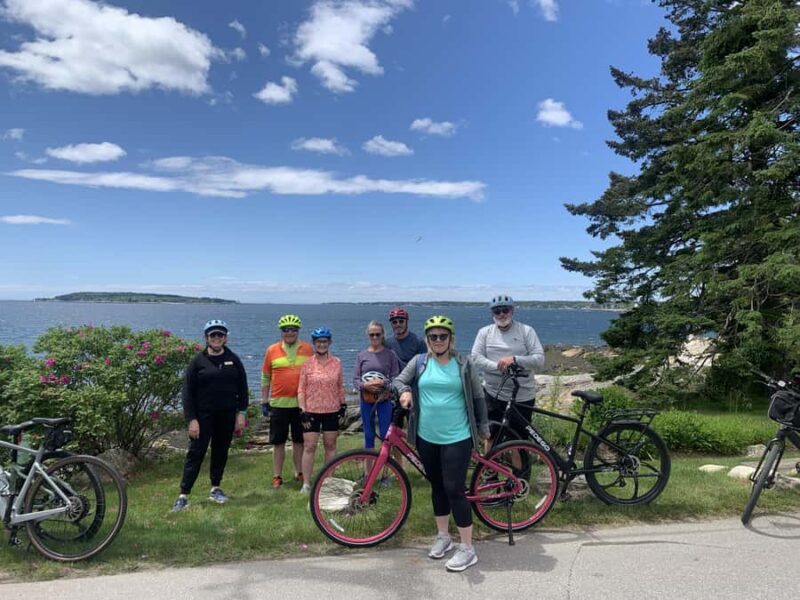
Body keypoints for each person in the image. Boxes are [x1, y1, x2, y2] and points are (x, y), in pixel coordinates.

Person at [392, 315, 488, 572]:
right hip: (427, 437)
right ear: (427, 339)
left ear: (451, 338)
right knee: (437, 486)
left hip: (458, 436)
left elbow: (478, 396)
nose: (438, 340)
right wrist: (405, 392)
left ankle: (467, 548)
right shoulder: (419, 362)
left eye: (442, 336)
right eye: (433, 336)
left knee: (455, 489)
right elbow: (399, 380)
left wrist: (484, 428)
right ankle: (444, 536)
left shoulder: (463, 364)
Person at [172, 319, 248, 512]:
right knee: (195, 453)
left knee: (220, 452)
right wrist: (192, 420)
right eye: (213, 335)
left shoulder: (234, 360)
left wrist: (242, 413)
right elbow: (187, 393)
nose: (216, 338)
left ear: (225, 338)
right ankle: (183, 495)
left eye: (220, 335)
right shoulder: (197, 362)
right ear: (206, 338)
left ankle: (215, 488)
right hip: (202, 417)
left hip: (226, 415)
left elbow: (242, 389)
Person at [470, 295, 545, 440]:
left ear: (512, 311)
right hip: (493, 393)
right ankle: (492, 457)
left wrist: (515, 360)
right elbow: (475, 358)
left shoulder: (526, 331)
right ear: (492, 313)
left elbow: (539, 360)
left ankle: (520, 456)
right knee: (491, 436)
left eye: (505, 310)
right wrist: (500, 366)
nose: (501, 314)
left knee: (519, 440)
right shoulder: (485, 332)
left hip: (522, 396)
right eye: (497, 311)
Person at [261, 314, 313, 490]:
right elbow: (265, 376)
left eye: (293, 329)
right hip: (278, 404)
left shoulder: (308, 349)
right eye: (286, 330)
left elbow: (314, 374)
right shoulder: (272, 350)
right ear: (281, 331)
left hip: (301, 405)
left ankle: (299, 472)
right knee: (278, 442)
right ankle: (277, 475)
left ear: (298, 331)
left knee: (299, 441)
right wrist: (264, 400)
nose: (289, 332)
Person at [297, 326, 346, 494]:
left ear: (329, 342)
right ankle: (306, 483)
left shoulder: (337, 363)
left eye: (324, 341)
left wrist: (343, 405)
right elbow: (301, 389)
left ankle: (328, 482)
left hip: (332, 410)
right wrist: (302, 409)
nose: (322, 344)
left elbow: (340, 386)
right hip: (311, 411)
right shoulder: (307, 364)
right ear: (314, 343)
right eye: (318, 342)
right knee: (309, 446)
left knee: (330, 445)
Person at [353, 320, 401, 450]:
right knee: (369, 435)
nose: (375, 337)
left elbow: (395, 376)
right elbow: (356, 379)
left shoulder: (390, 354)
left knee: (385, 434)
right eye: (372, 334)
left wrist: (383, 384)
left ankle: (385, 462)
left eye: (377, 334)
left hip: (384, 400)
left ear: (383, 334)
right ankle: (370, 463)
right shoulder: (361, 355)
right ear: (368, 335)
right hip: (366, 400)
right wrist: (365, 385)